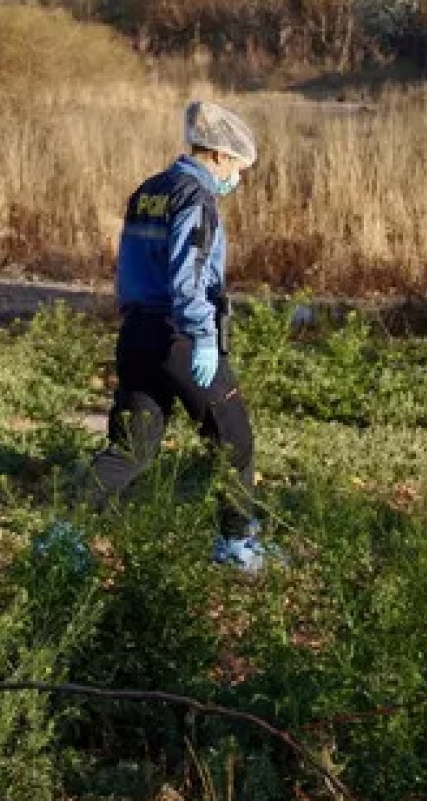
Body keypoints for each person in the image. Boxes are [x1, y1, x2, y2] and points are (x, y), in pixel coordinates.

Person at [87, 101, 273, 571]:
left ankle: (63, 530)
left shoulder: (150, 190)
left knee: (132, 447)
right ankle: (236, 544)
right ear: (219, 155)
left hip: (137, 333)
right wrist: (203, 337)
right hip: (181, 338)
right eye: (238, 168)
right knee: (234, 438)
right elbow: (188, 276)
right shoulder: (196, 198)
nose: (238, 179)